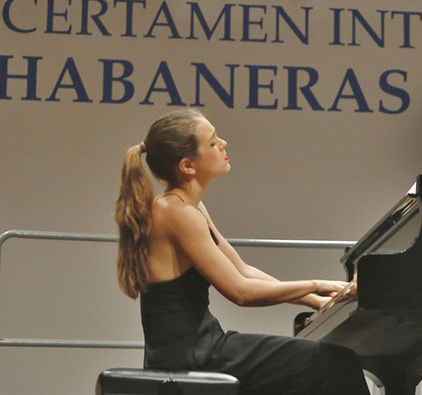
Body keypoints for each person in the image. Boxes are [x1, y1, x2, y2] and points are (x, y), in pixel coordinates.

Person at [114, 109, 371, 395]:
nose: (223, 143)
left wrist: (315, 300)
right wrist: (317, 285)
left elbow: (243, 270)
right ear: (187, 165)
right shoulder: (175, 212)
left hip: (201, 348)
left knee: (326, 365)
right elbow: (241, 292)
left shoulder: (188, 207)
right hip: (192, 356)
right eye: (213, 142)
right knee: (336, 363)